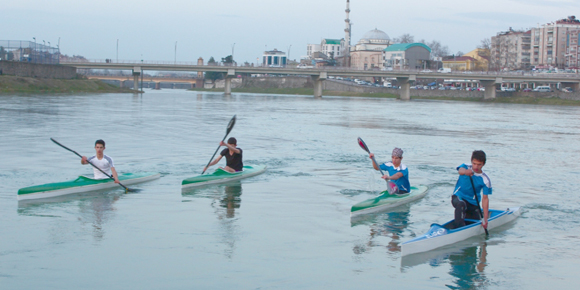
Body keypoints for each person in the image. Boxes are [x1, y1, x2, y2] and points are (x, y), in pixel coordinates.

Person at [451, 150, 491, 229]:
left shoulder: (485, 180)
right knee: (461, 204)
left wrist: (485, 219)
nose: (476, 167)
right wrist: (466, 172)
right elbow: (460, 171)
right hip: (458, 197)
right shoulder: (465, 166)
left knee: (475, 221)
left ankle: (463, 225)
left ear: (483, 164)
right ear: (471, 161)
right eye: (474, 163)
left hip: (473, 204)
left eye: (479, 164)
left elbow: (485, 199)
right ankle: (460, 229)